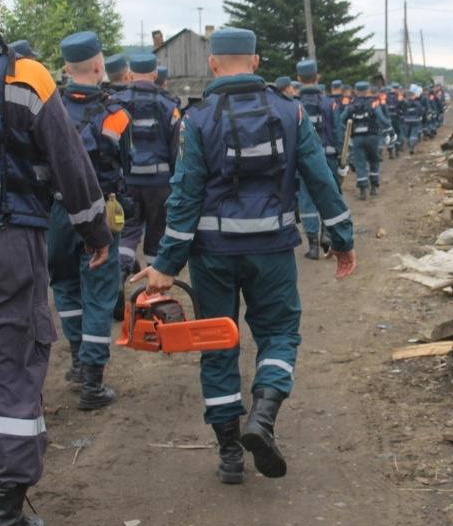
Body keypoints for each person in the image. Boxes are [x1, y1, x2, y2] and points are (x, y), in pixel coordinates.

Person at [130, 27, 356, 486]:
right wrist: (342, 238)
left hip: (212, 254)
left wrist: (167, 265)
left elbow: (185, 196)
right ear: (255, 62)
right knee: (278, 334)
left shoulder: (197, 118)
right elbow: (321, 179)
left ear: (213, 64)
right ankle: (264, 418)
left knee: (216, 343)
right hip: (271, 249)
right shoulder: (290, 112)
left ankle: (230, 452)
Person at [0, 0, 111, 526]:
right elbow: (70, 164)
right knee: (15, 364)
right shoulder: (26, 75)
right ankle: (7, 508)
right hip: (9, 240)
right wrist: (95, 232)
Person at [48, 31, 131, 410]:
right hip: (98, 211)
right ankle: (93, 384)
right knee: (99, 295)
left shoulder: (48, 109)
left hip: (56, 211)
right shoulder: (116, 116)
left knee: (65, 287)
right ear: (99, 66)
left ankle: (79, 361)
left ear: (66, 68)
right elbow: (125, 165)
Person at [110, 53, 180, 287]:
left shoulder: (115, 103)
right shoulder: (168, 105)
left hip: (126, 182)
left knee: (127, 232)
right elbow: (176, 151)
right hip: (159, 184)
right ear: (154, 74)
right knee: (157, 234)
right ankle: (153, 292)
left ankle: (119, 275)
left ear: (130, 73)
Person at [296, 59, 344, 258]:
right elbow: (338, 130)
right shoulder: (329, 103)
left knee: (306, 200)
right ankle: (327, 234)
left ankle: (313, 246)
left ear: (298, 79)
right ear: (318, 77)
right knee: (328, 195)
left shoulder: (292, 105)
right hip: (328, 156)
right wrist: (342, 155)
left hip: (302, 159)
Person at [341, 81, 392, 200]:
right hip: (372, 136)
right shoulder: (373, 102)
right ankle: (374, 187)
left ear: (356, 91)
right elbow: (381, 117)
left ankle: (363, 189)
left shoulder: (351, 104)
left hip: (357, 138)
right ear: (368, 90)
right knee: (374, 160)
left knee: (360, 163)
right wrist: (389, 129)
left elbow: (341, 119)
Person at [400, 86, 425, 154]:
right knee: (414, 134)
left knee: (407, 135)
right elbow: (421, 112)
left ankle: (409, 146)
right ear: (413, 96)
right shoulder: (418, 103)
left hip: (406, 121)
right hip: (416, 121)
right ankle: (412, 147)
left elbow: (401, 111)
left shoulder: (404, 103)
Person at [387, 83, 403, 159]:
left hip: (389, 118)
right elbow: (404, 105)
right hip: (397, 117)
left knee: (390, 133)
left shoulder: (386, 95)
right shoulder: (399, 96)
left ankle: (390, 147)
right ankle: (397, 148)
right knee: (398, 132)